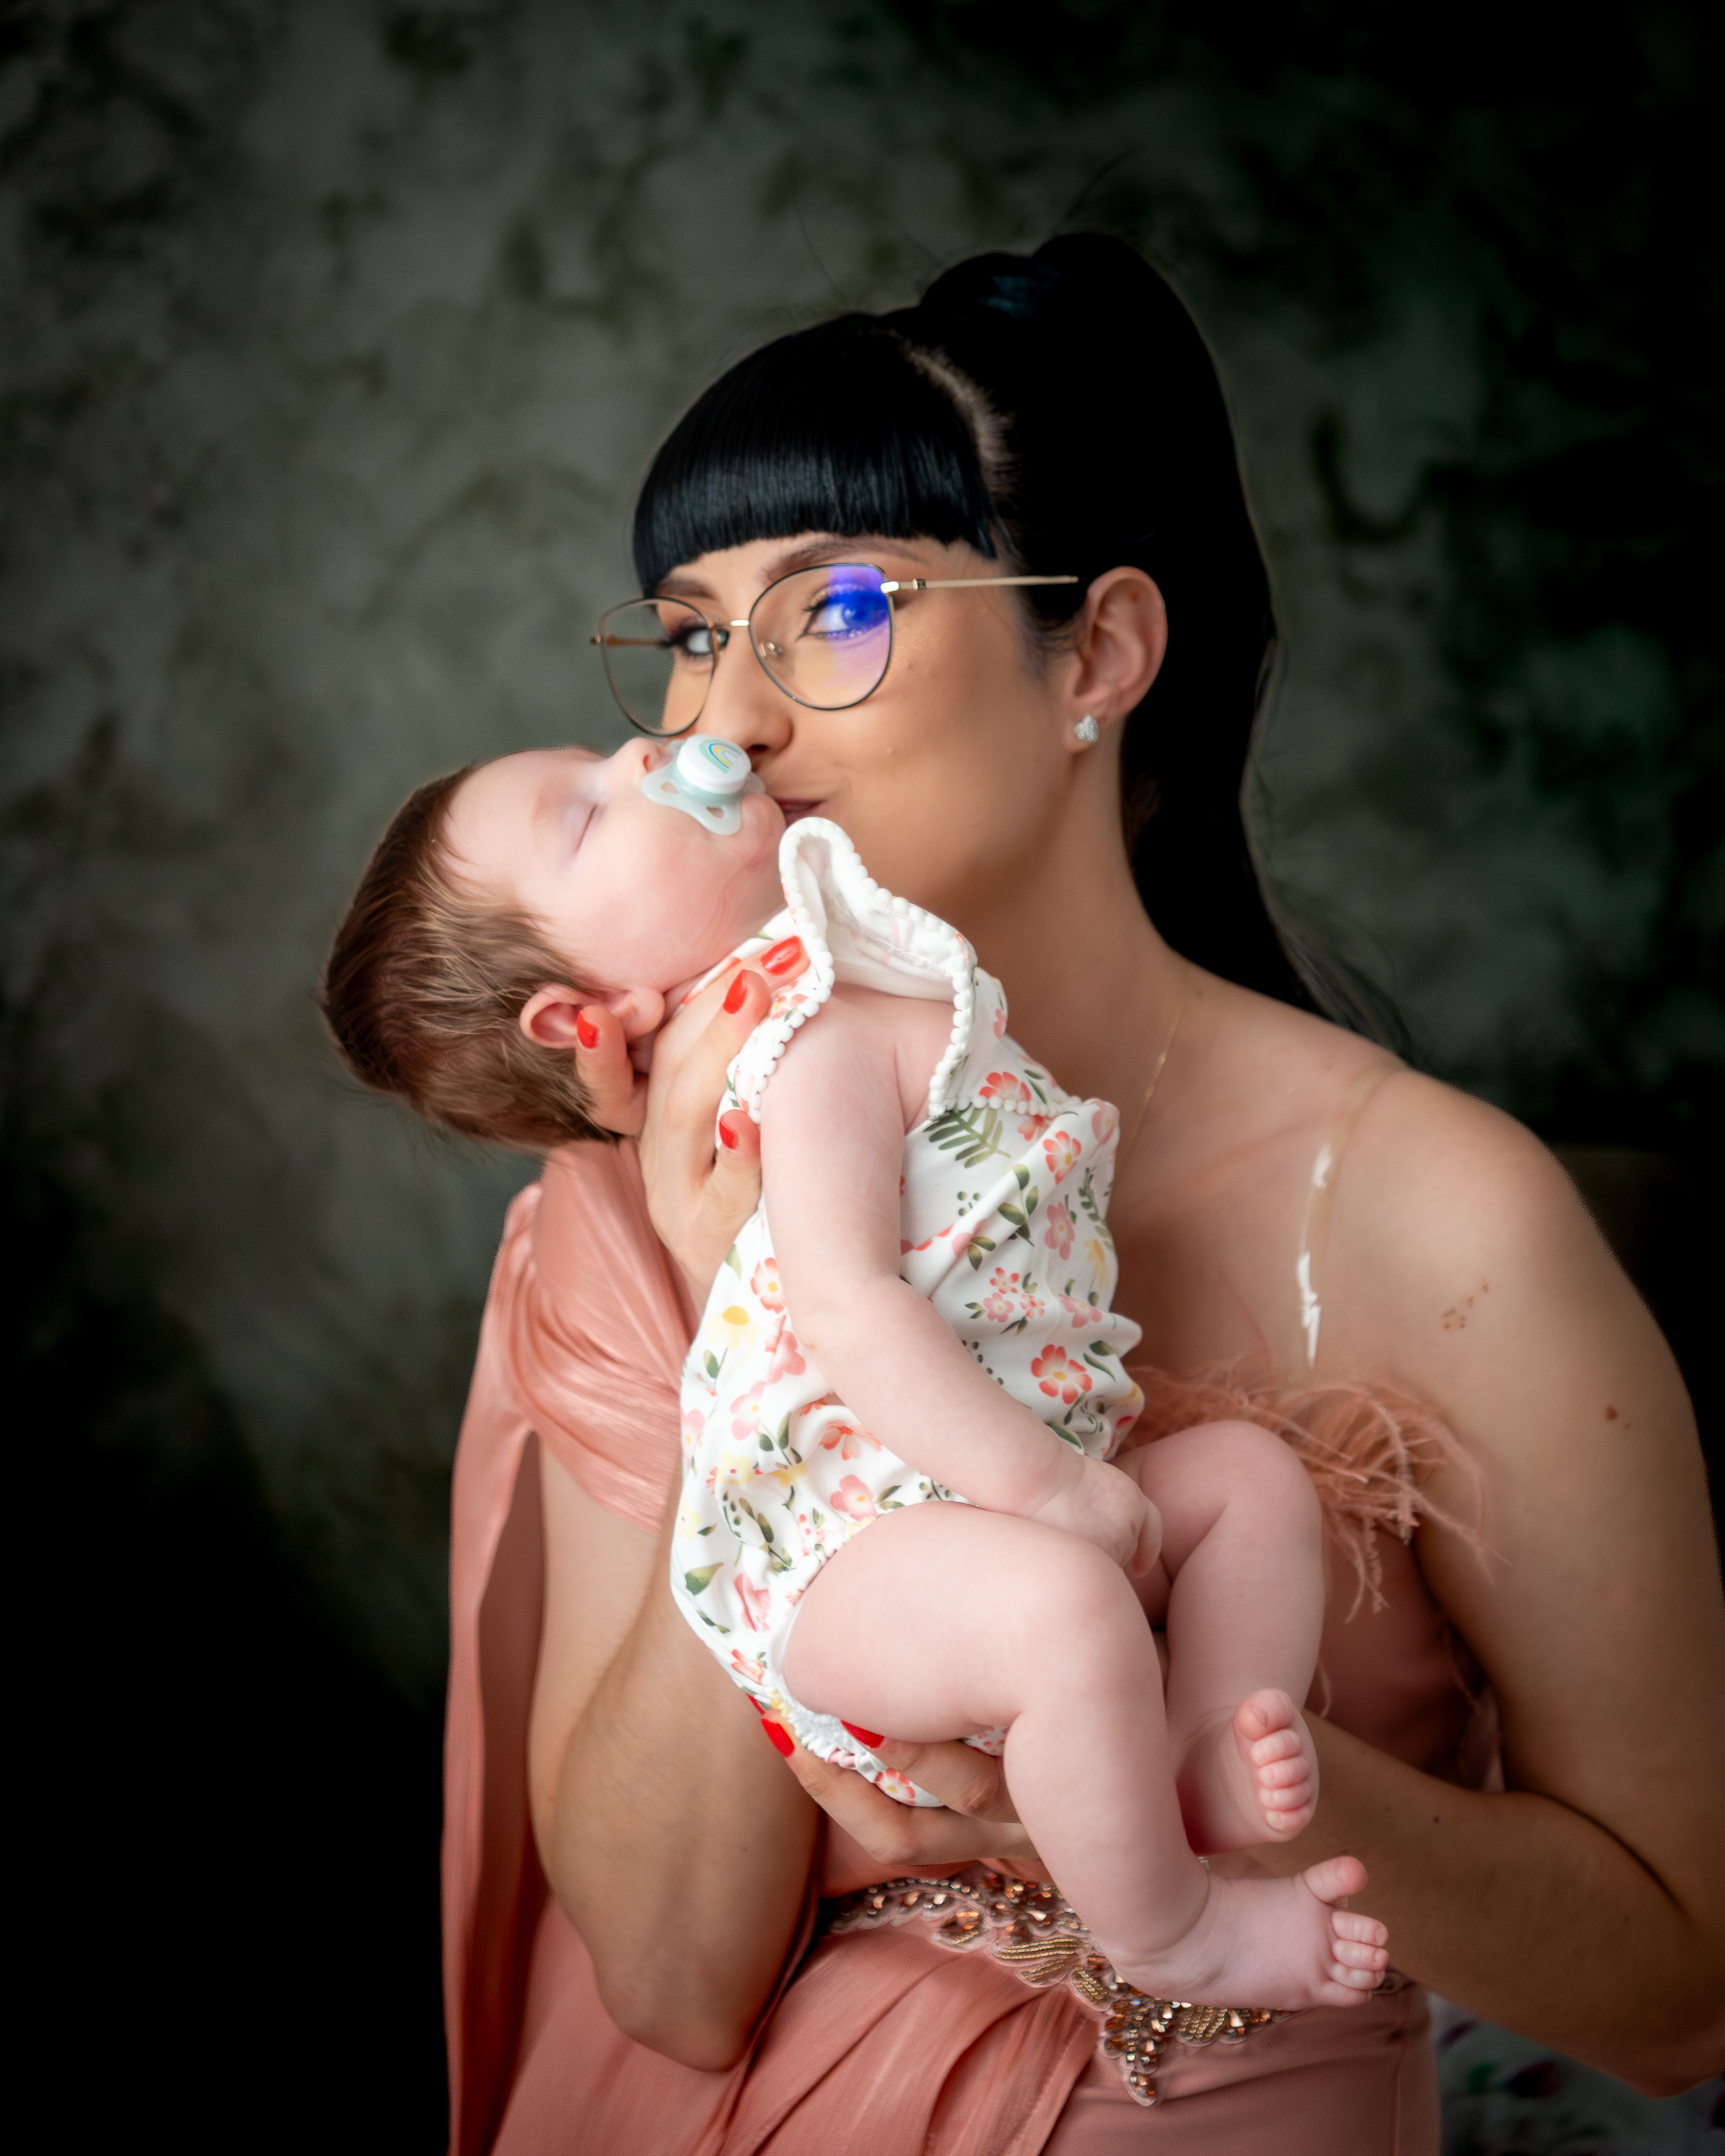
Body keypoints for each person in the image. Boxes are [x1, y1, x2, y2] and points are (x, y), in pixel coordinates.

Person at [336, 235, 1725, 2152]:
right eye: (691, 634)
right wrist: (740, 1300)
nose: (722, 724)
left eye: (833, 609)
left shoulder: (1436, 1218)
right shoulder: (647, 1197)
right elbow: (665, 1975)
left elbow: (1682, 1989)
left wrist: (1199, 1755)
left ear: (1102, 656)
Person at [324, 727, 1396, 2011]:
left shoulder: (862, 984)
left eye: (599, 755)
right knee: (1068, 1608)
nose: (647, 751)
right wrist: (1050, 1491)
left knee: (1246, 1483)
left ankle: (1203, 1747)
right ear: (578, 1019)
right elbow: (847, 1308)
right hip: (851, 1552)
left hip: (974, 1497)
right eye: (590, 814)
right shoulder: (801, 1056)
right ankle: (1172, 1936)